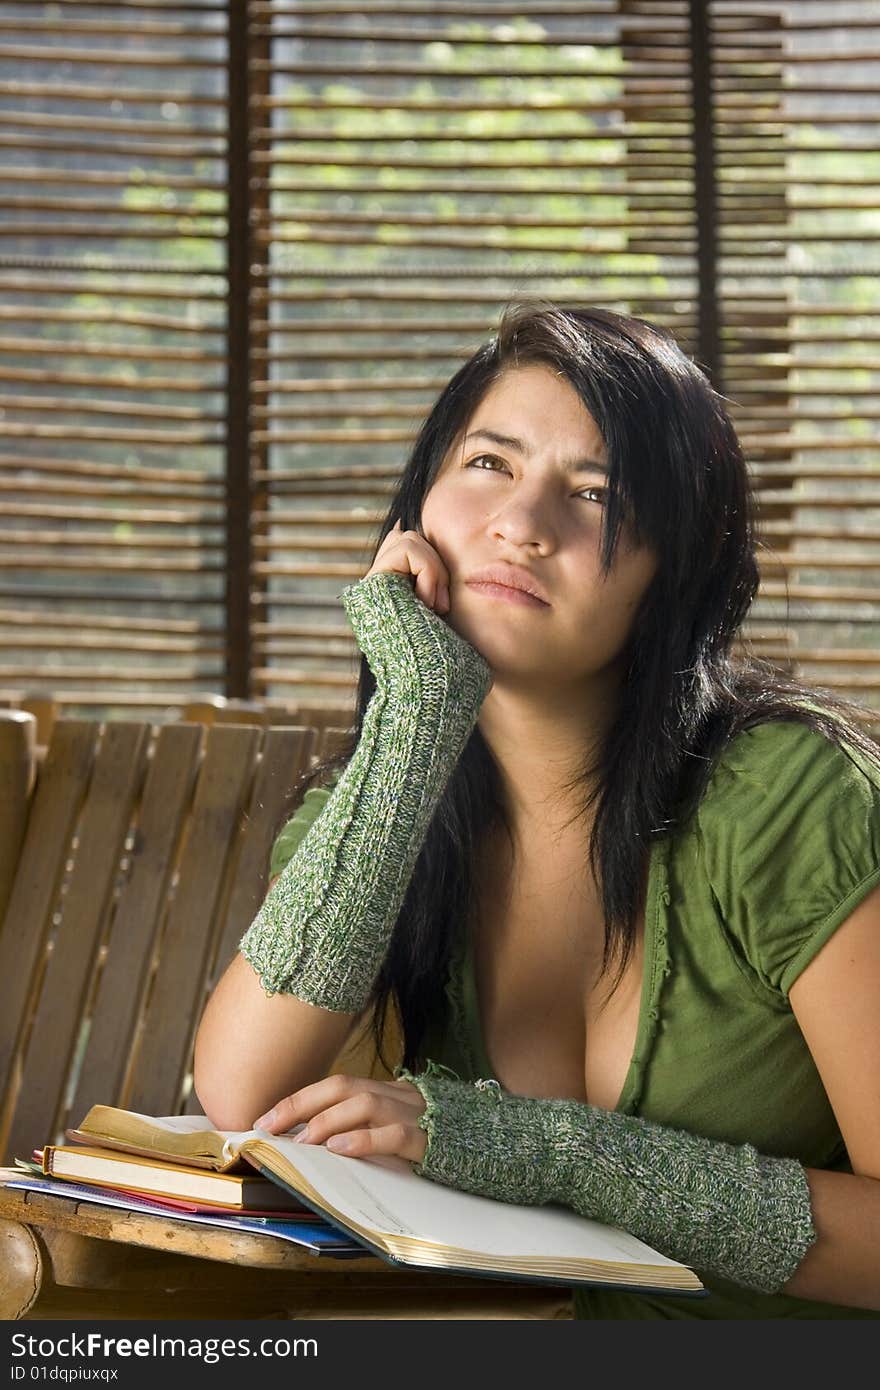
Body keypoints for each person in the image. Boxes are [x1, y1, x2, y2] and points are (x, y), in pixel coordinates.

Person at [193, 301, 880, 1320]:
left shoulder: (785, 798)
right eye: (487, 465)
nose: (521, 524)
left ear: (672, 567)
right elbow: (241, 1096)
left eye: (594, 493)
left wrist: (546, 1151)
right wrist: (415, 712)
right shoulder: (372, 813)